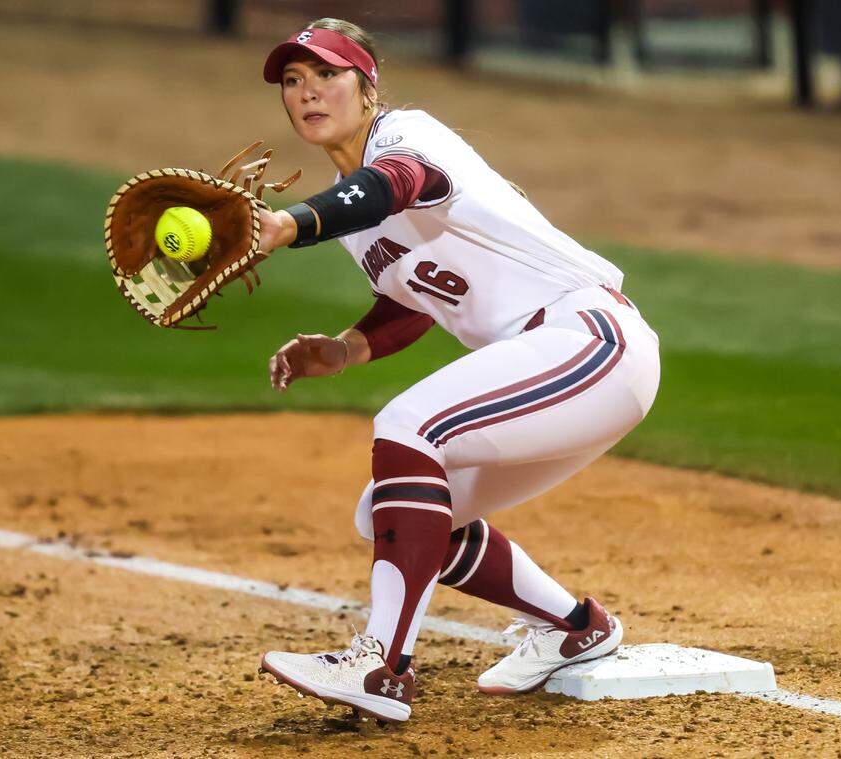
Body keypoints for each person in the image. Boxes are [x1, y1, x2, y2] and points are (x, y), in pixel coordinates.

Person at [254, 19, 660, 723]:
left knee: (408, 427)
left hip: (590, 337)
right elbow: (412, 298)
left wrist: (288, 224)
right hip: (561, 367)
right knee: (389, 505)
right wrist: (348, 347)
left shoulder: (407, 138)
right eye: (293, 81)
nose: (309, 93)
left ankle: (383, 666)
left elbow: (398, 184)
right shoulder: (353, 208)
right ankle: (575, 626)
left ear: (368, 86)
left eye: (327, 75)